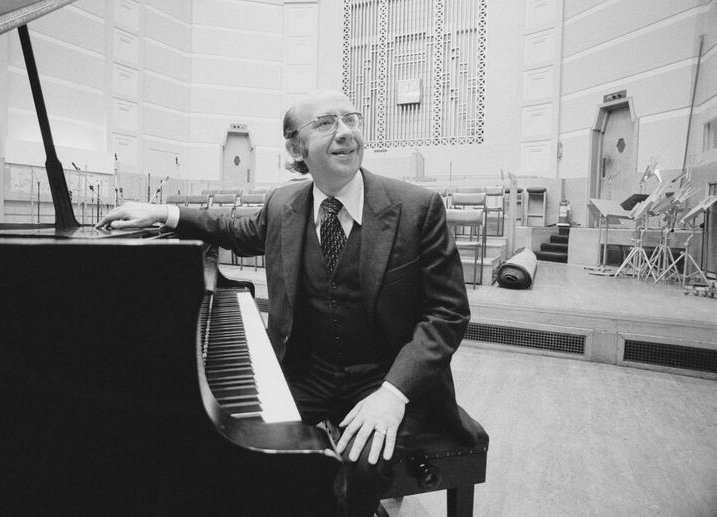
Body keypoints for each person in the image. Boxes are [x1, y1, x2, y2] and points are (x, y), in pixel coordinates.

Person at [97, 90, 484, 516]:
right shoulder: (284, 205)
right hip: (308, 373)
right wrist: (164, 213)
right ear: (296, 147)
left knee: (356, 470)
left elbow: (447, 314)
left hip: (386, 378)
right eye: (325, 124)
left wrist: (393, 393)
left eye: (351, 120)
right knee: (239, 444)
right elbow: (234, 230)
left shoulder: (415, 207)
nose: (345, 133)